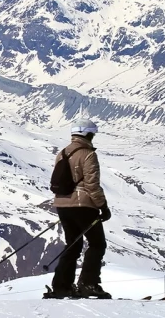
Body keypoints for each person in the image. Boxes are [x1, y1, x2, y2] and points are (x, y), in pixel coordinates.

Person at [47, 118, 112, 300]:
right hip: (83, 205)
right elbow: (92, 185)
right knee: (97, 244)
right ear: (87, 134)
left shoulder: (62, 153)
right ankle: (88, 284)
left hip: (62, 204)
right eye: (92, 134)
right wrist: (103, 206)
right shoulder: (88, 154)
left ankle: (61, 287)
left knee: (73, 245)